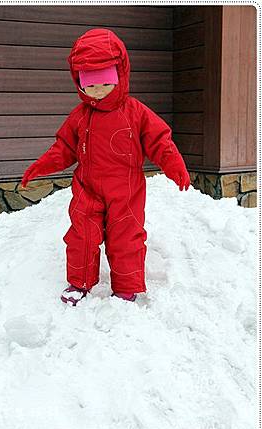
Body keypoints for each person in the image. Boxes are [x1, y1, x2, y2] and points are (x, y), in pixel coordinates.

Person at [21, 28, 190, 306]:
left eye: (105, 83)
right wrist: (40, 166)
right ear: (78, 81)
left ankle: (126, 286)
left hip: (125, 190)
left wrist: (175, 167)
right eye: (89, 84)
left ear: (120, 75)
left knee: (126, 236)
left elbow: (160, 141)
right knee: (81, 235)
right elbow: (63, 147)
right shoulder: (80, 116)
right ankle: (80, 282)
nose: (97, 91)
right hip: (87, 188)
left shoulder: (136, 112)